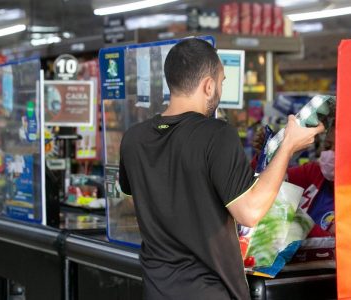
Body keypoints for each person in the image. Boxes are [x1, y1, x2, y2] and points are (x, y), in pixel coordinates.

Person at [118, 38, 325, 300]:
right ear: (208, 85)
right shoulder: (216, 134)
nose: (220, 90)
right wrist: (287, 149)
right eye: (222, 81)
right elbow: (249, 212)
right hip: (210, 292)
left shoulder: (133, 139)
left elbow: (131, 206)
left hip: (155, 290)